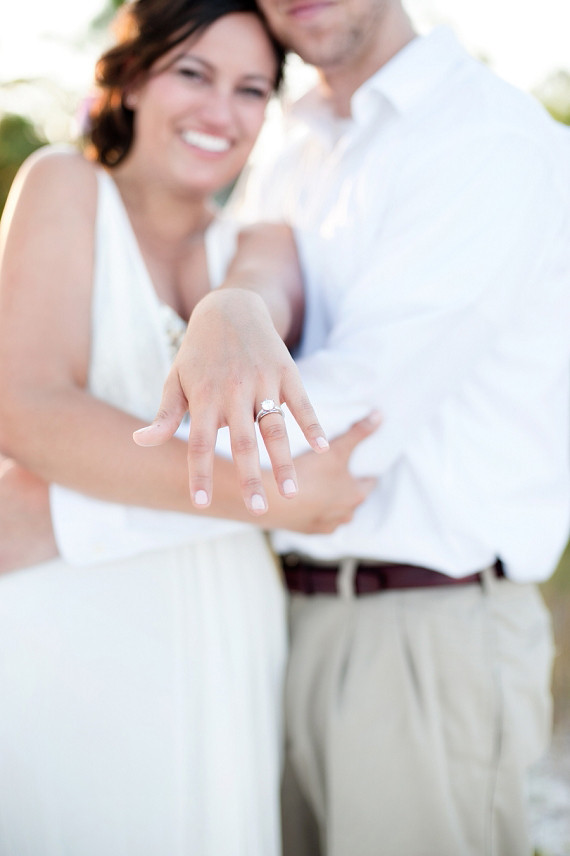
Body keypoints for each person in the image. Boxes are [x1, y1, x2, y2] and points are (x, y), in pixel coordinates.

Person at [129, 1, 570, 854]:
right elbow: (257, 282)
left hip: (424, 634)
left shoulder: (484, 135)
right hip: (273, 619)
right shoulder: (290, 141)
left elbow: (342, 425)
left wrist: (62, 496)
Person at [0, 2, 377, 854]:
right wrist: (267, 495)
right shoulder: (66, 186)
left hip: (228, 623)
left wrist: (236, 305)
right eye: (193, 73)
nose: (221, 111)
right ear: (130, 78)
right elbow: (27, 409)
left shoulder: (263, 238)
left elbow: (260, 284)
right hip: (70, 621)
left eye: (251, 89)